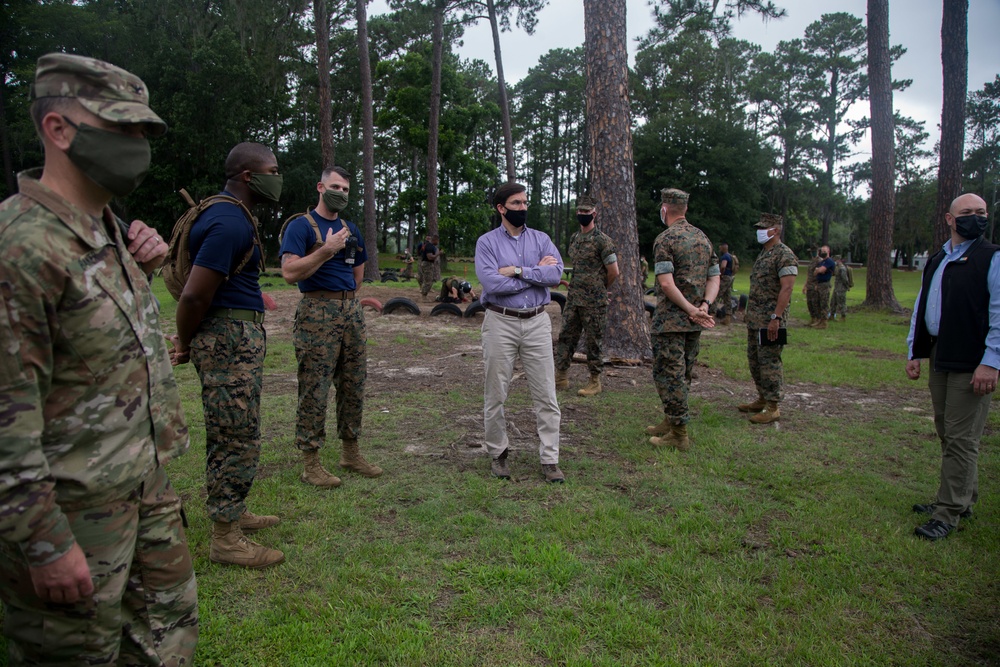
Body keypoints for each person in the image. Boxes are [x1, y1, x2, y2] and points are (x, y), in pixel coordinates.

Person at [0, 52, 197, 664]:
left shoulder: (106, 227)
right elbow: (6, 420)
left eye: (144, 132)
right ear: (59, 129)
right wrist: (44, 543)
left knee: (168, 639)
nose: (137, 146)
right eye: (122, 129)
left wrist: (146, 266)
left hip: (144, 488)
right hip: (72, 513)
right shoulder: (22, 248)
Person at [172, 142, 284, 568]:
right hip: (227, 339)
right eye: (273, 169)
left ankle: (233, 509)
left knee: (236, 429)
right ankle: (225, 538)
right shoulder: (228, 222)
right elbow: (194, 295)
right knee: (235, 435)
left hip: (234, 335)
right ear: (247, 176)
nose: (279, 176)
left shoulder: (228, 214)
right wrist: (184, 343)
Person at [280, 166, 382, 489]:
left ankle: (350, 453)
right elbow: (289, 272)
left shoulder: (351, 228)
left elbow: (359, 273)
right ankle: (311, 463)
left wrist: (347, 299)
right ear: (320, 188)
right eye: (335, 186)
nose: (341, 193)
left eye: (347, 189)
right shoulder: (302, 227)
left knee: (353, 383)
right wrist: (326, 250)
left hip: (350, 310)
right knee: (315, 385)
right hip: (316, 311)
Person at [906, 193, 996, 541]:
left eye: (982, 212)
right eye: (968, 213)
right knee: (948, 430)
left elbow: (999, 315)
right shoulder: (939, 258)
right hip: (942, 353)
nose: (976, 217)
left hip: (972, 359)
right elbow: (922, 306)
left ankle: (948, 511)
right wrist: (914, 351)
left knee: (962, 437)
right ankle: (963, 498)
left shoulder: (992, 258)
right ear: (949, 218)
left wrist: (991, 362)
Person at [475, 182, 565, 482]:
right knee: (496, 393)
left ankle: (550, 459)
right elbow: (492, 284)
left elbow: (555, 275)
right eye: (516, 203)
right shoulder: (487, 243)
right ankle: (498, 454)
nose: (523, 208)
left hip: (538, 322)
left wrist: (517, 270)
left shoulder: (541, 239)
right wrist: (535, 273)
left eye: (525, 202)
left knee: (546, 394)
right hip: (500, 322)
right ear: (501, 208)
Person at [645, 189, 719, 451]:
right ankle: (670, 419)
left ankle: (679, 434)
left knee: (669, 375)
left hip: (671, 322)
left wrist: (689, 309)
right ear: (685, 209)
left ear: (665, 209)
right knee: (682, 374)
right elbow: (714, 277)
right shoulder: (703, 238)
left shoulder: (665, 239)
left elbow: (665, 284)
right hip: (694, 321)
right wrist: (704, 306)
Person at [554, 194, 619, 397]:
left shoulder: (603, 241)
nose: (583, 215)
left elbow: (614, 271)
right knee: (566, 336)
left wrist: (599, 287)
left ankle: (594, 380)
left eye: (587, 212)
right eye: (580, 211)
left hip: (593, 301)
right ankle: (561, 376)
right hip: (574, 298)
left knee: (593, 340)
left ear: (594, 214)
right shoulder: (575, 238)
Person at [739, 213, 798, 424]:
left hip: (771, 321)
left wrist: (776, 318)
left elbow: (787, 287)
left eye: (764, 228)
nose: (760, 231)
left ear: (776, 230)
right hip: (755, 319)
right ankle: (762, 398)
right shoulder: (765, 253)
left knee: (770, 362)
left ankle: (773, 406)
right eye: (759, 227)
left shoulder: (785, 255)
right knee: (755, 360)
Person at [810, 245, 835, 328]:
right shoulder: (821, 262)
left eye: (825, 251)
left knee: (824, 303)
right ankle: (819, 320)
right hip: (819, 283)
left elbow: (820, 270)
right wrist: (818, 270)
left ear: (828, 252)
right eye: (822, 251)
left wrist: (819, 270)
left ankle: (824, 322)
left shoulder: (829, 261)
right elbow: (815, 273)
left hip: (825, 284)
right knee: (818, 303)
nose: (823, 253)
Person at [717, 242, 735, 325]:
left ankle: (711, 315)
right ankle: (728, 318)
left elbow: (723, 266)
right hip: (730, 277)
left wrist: (720, 274)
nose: (719, 248)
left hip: (725, 278)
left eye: (720, 247)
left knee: (717, 295)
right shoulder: (730, 256)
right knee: (727, 297)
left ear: (723, 248)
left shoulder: (725, 256)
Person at [830, 255, 853, 320]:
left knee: (841, 303)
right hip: (836, 288)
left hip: (841, 288)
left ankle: (843, 316)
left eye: (835, 260)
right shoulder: (837, 268)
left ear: (839, 260)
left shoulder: (842, 268)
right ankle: (832, 315)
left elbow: (845, 279)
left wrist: (847, 286)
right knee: (833, 302)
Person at [419, 233, 440, 300]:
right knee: (428, 281)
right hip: (427, 264)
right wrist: (438, 254)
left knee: (427, 280)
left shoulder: (430, 246)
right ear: (435, 240)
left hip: (427, 264)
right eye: (437, 241)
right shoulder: (429, 246)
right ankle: (424, 296)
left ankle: (423, 293)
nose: (438, 242)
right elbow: (430, 257)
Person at [802, 248, 820, 326]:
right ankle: (812, 318)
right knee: (809, 303)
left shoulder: (819, 261)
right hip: (809, 285)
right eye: (811, 252)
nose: (812, 253)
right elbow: (808, 274)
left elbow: (820, 274)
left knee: (815, 303)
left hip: (815, 285)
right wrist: (805, 285)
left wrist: (817, 285)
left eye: (814, 251)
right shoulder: (811, 261)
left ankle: (817, 319)